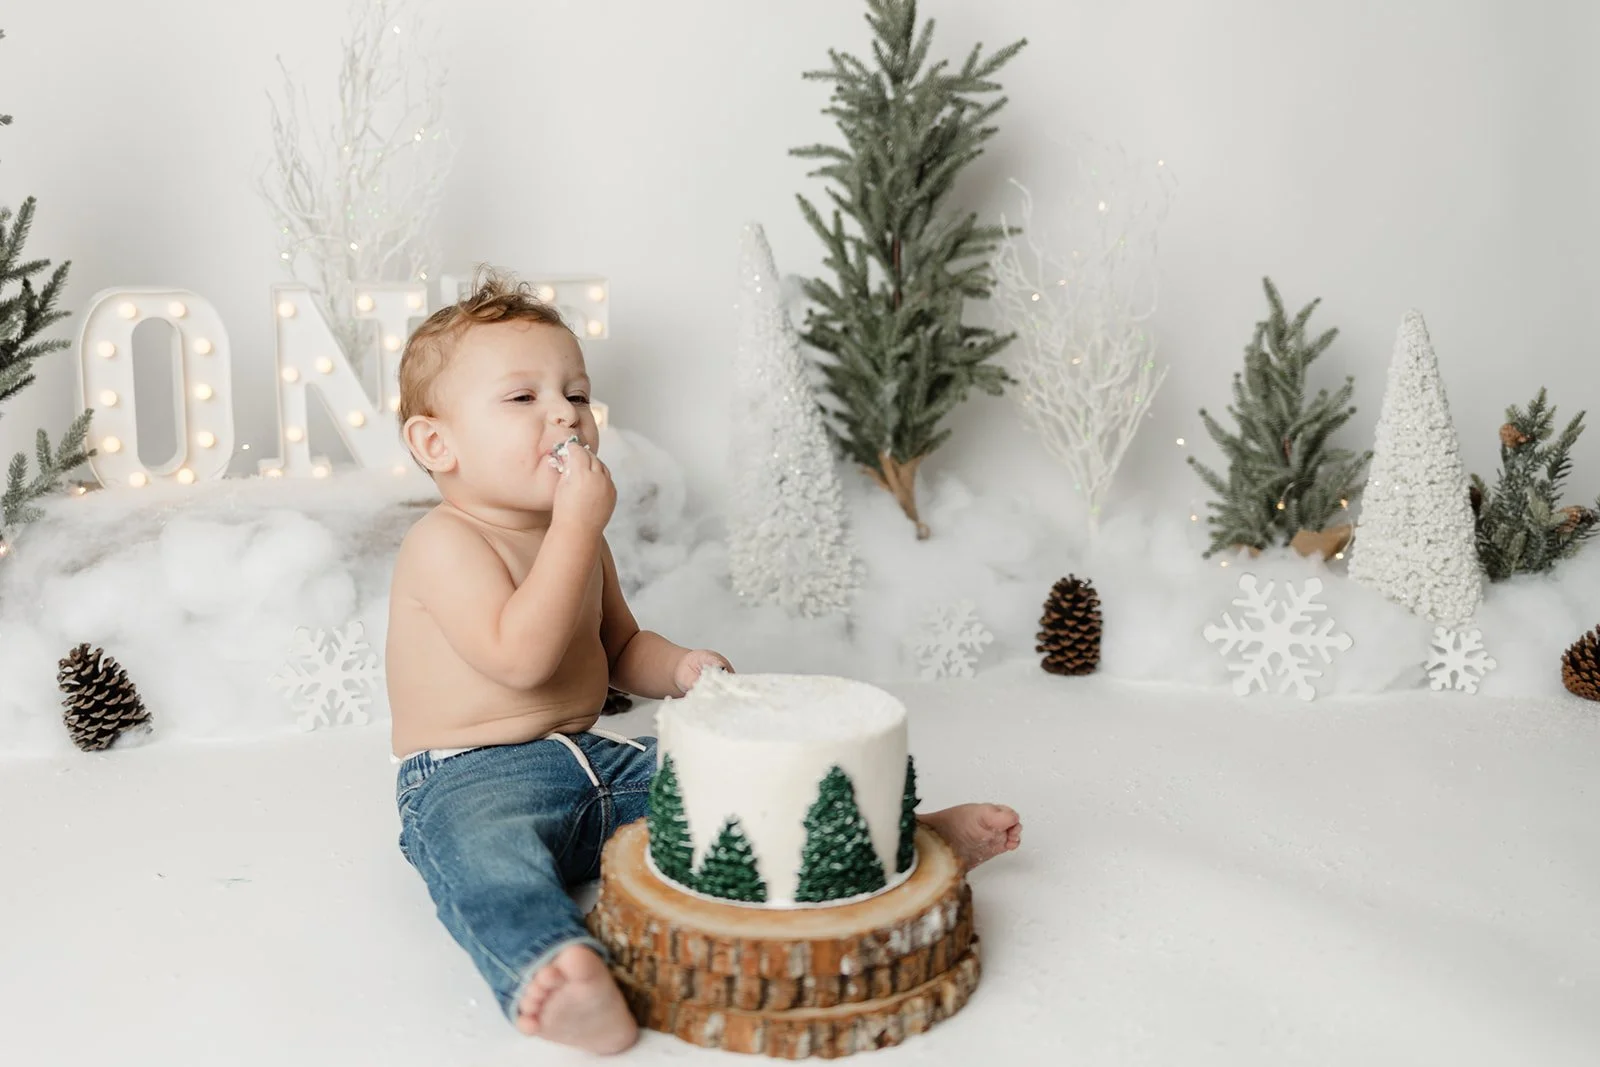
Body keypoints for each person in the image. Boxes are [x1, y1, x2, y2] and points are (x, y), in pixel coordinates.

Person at [385, 271, 1023, 1053]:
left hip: (597, 761)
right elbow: (521, 659)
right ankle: (555, 968)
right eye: (524, 399)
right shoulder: (445, 543)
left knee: (728, 786)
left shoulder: (577, 537)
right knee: (489, 863)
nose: (565, 416)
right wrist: (578, 529)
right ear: (435, 442)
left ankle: (899, 842)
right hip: (469, 775)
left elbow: (618, 649)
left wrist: (679, 667)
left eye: (576, 394)